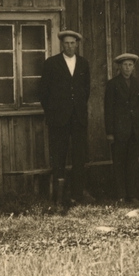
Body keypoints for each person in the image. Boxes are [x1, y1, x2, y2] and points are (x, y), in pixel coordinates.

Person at [40, 29, 92, 207]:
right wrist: (54, 112)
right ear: (62, 44)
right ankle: (59, 197)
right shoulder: (52, 63)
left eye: (73, 43)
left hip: (78, 118)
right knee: (59, 156)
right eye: (66, 43)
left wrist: (77, 108)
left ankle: (77, 195)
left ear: (77, 44)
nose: (70, 46)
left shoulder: (83, 63)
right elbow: (43, 93)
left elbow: (86, 90)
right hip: (58, 120)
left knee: (79, 157)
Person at [104, 52, 139, 202]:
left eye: (130, 65)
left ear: (134, 67)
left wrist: (133, 117)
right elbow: (108, 109)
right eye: (125, 65)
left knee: (132, 164)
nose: (127, 68)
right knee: (119, 163)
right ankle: (121, 195)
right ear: (119, 67)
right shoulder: (113, 84)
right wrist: (110, 132)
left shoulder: (137, 83)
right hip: (119, 131)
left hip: (134, 130)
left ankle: (132, 195)